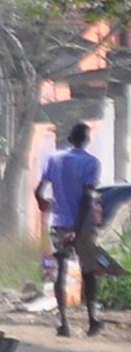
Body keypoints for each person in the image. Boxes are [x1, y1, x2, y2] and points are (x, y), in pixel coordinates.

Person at [36, 122, 105, 338]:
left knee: (60, 269)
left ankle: (63, 322)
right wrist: (77, 227)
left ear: (69, 139)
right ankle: (92, 320)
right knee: (88, 270)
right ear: (86, 140)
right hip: (81, 225)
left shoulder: (53, 159)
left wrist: (43, 204)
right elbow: (86, 197)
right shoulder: (91, 163)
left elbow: (39, 190)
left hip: (58, 221)